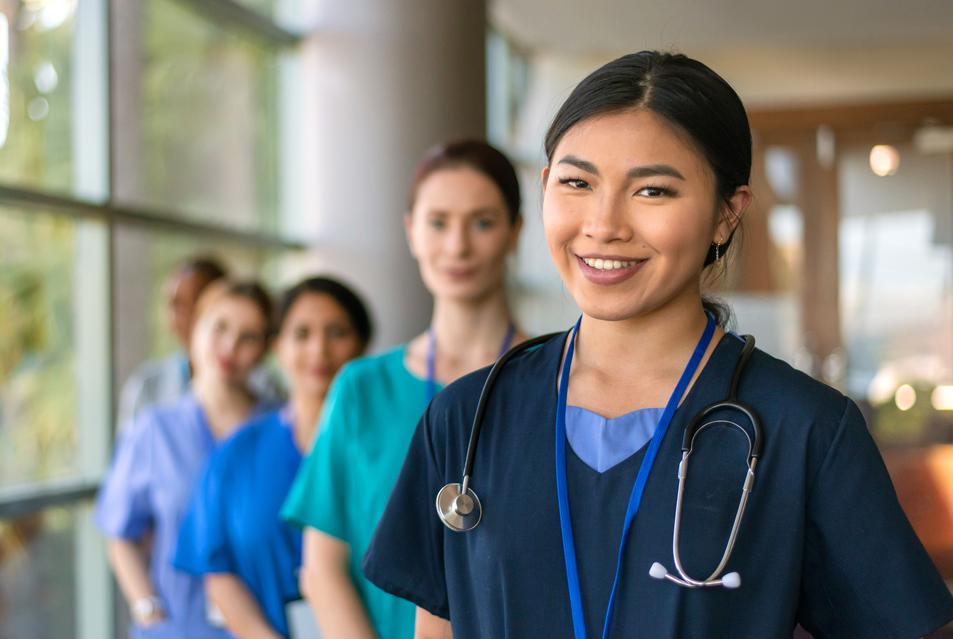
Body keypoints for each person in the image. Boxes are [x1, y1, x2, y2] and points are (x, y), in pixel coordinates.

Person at [362, 52, 953, 639]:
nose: (604, 224)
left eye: (652, 192)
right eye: (577, 182)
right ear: (544, 187)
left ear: (726, 213)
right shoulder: (468, 417)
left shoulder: (805, 430)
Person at [281, 140, 527, 639]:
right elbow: (323, 567)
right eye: (438, 223)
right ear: (411, 230)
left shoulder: (555, 380)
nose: (457, 246)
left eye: (481, 223)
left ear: (515, 232)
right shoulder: (361, 388)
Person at [173, 277, 373, 639]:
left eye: (336, 332)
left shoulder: (387, 452)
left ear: (362, 346)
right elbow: (217, 570)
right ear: (276, 346)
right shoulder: (237, 453)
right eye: (301, 334)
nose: (319, 350)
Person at [96, 280, 276, 638]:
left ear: (266, 349)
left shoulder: (281, 430)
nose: (230, 346)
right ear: (196, 327)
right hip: (176, 626)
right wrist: (149, 610)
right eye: (220, 327)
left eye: (249, 336)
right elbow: (119, 533)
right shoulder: (155, 430)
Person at [117, 257, 226, 428]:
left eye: (193, 303)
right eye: (175, 305)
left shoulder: (261, 389)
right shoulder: (148, 386)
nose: (178, 317)